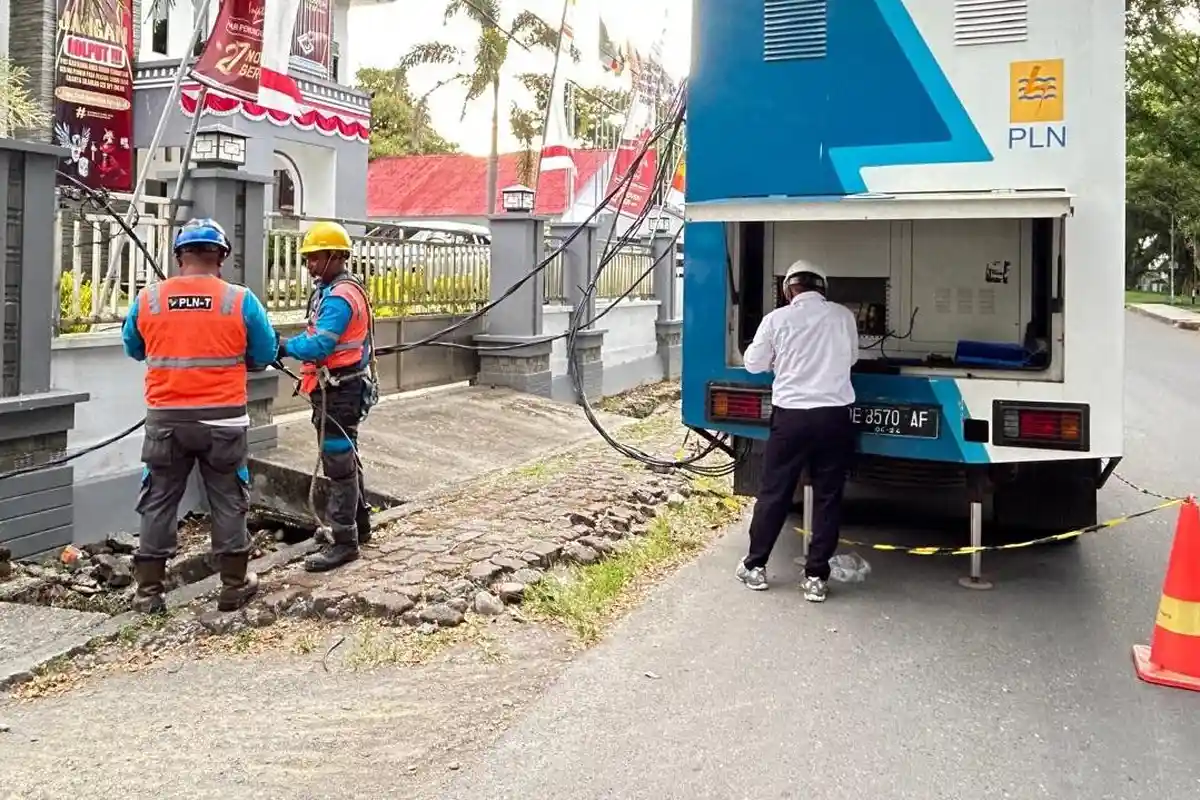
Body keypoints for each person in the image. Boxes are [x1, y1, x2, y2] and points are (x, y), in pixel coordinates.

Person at [122, 218, 280, 614]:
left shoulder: (149, 299)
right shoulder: (240, 300)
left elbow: (134, 348)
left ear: (179, 257)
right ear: (221, 257)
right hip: (223, 422)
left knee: (158, 501)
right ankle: (233, 586)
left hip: (166, 421)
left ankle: (148, 594)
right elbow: (264, 353)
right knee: (228, 499)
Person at [735, 259, 860, 602]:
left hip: (791, 418)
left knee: (775, 491)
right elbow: (851, 359)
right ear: (823, 289)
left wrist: (780, 359)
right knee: (828, 496)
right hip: (834, 416)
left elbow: (754, 364)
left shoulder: (776, 319)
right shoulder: (843, 316)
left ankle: (756, 566)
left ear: (788, 289)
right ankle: (817, 577)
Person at [276, 221, 376, 572]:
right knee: (346, 457)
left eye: (315, 258)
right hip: (338, 387)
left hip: (340, 391)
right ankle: (357, 527)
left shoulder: (339, 297)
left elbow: (320, 344)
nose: (309, 265)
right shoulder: (335, 289)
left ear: (336, 256)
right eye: (307, 259)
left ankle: (344, 542)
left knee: (338, 464)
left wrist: (284, 346)